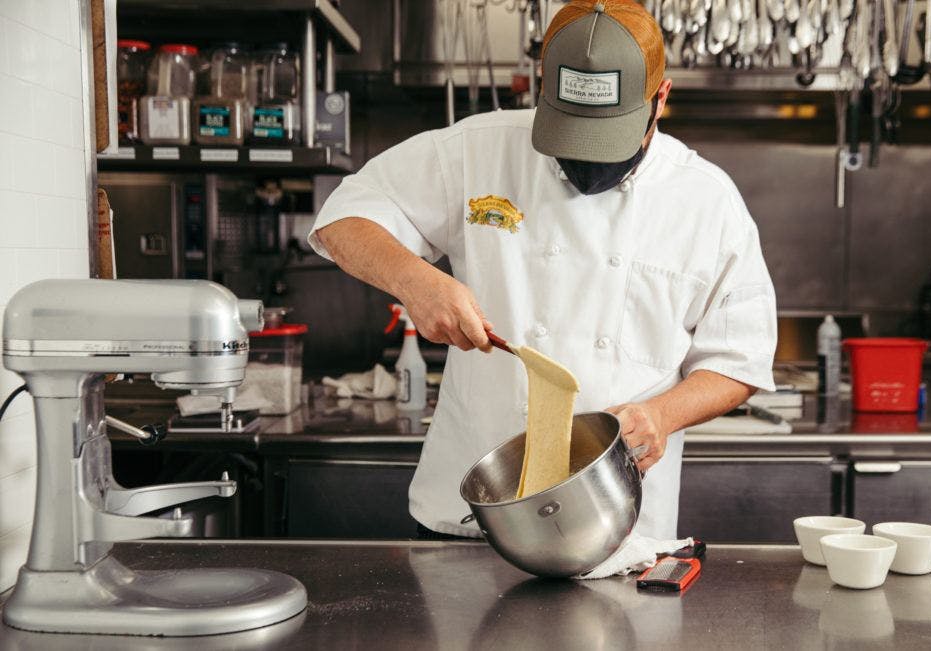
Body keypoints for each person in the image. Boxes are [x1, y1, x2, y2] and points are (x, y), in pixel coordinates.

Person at [309, 0, 776, 539]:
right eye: (572, 132)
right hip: (468, 517)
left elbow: (742, 359)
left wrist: (663, 415)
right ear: (541, 86)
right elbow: (342, 219)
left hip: (618, 526)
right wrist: (414, 279)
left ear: (660, 98)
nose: (588, 160)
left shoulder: (705, 201)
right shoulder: (476, 150)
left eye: (609, 137)